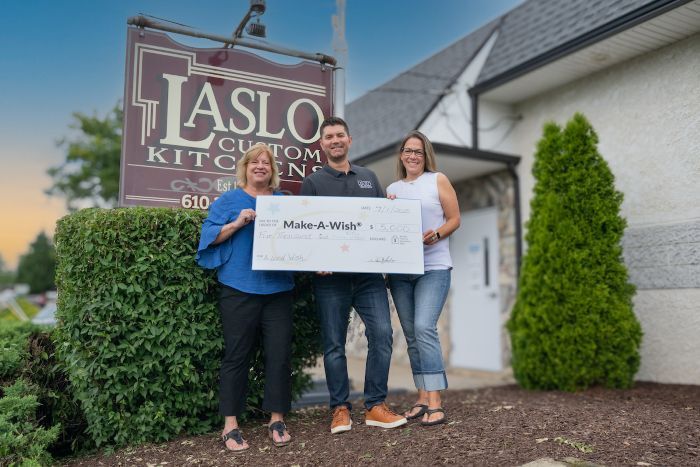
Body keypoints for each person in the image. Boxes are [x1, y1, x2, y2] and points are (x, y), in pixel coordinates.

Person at [301, 116, 407, 434]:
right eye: (329, 136)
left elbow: (378, 225)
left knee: (383, 336)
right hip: (330, 278)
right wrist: (313, 261)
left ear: (350, 140)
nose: (335, 140)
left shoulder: (368, 177)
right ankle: (340, 409)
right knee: (334, 345)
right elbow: (305, 231)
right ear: (322, 145)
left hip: (368, 277)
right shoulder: (313, 182)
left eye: (340, 135)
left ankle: (375, 405)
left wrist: (389, 210)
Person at [196, 143, 294, 452]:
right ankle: (230, 425)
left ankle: (276, 420)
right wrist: (238, 222)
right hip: (238, 289)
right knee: (236, 356)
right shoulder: (229, 200)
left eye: (266, 162)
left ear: (272, 170)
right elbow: (209, 236)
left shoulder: (284, 202)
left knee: (279, 356)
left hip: (278, 290)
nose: (261, 166)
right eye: (255, 162)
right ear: (246, 168)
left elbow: (304, 236)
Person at [386, 131, 460, 426]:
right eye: (408, 150)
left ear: (425, 154)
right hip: (401, 271)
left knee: (423, 327)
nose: (413, 156)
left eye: (418, 151)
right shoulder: (391, 189)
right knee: (412, 335)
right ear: (401, 154)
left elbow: (454, 218)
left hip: (434, 266)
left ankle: (435, 401)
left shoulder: (437, 180)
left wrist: (437, 234)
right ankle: (420, 397)